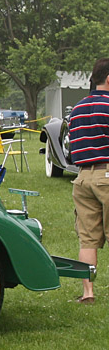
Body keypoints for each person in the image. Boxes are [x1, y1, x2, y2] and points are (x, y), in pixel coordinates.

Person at [66, 57, 109, 303]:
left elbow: (73, 150)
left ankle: (88, 293)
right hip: (107, 174)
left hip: (83, 178)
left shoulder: (78, 109)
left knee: (88, 238)